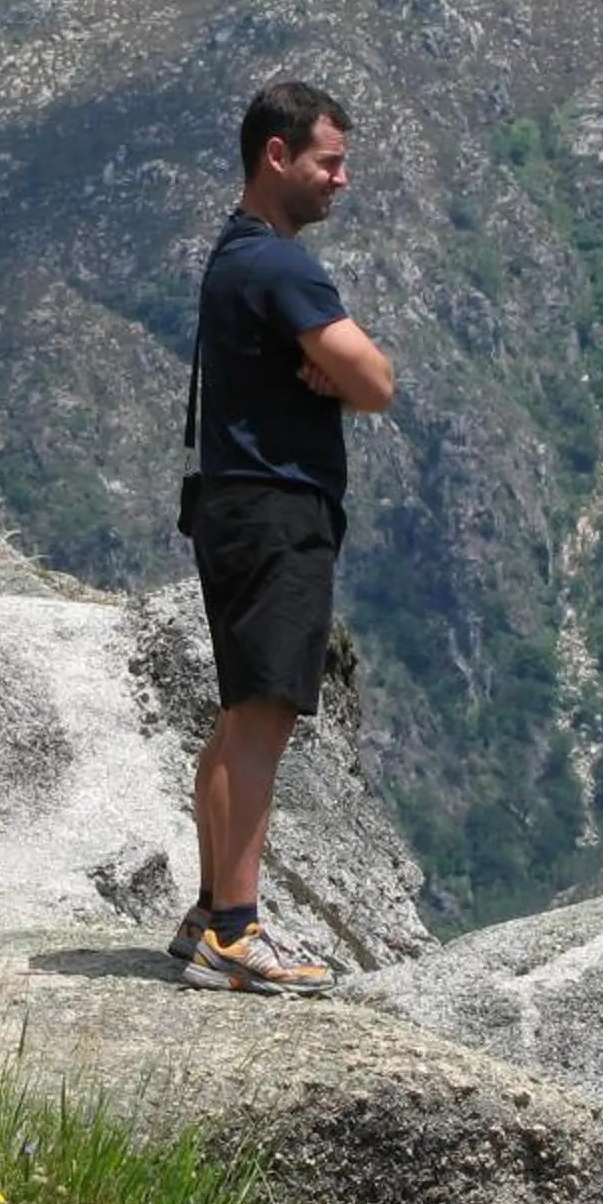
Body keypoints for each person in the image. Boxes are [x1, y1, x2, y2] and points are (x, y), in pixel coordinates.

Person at [174, 78, 396, 995]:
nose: (341, 180)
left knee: (236, 718)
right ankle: (236, 929)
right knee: (264, 719)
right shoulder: (283, 267)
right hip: (278, 510)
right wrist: (343, 373)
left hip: (229, 500)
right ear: (278, 156)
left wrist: (326, 371)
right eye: (328, 162)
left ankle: (208, 915)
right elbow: (377, 380)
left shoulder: (232, 257)